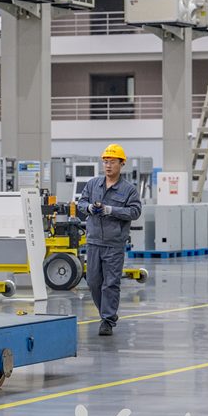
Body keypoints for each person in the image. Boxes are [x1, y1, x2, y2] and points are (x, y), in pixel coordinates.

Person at [76, 143, 142, 336]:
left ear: (122, 164)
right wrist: (90, 208)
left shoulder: (129, 190)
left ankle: (107, 320)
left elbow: (135, 211)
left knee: (111, 283)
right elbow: (81, 203)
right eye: (105, 162)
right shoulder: (93, 184)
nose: (108, 165)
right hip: (94, 241)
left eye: (112, 162)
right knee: (93, 282)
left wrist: (110, 210)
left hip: (114, 244)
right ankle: (105, 313)